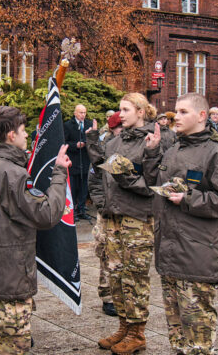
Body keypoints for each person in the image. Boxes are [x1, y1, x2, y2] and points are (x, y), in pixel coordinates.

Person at [0, 106, 71, 354]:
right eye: (23, 131)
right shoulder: (12, 173)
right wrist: (59, 173)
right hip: (9, 277)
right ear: (11, 135)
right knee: (11, 347)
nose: (28, 136)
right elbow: (46, 214)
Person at [144, 92, 218, 355]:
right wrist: (152, 153)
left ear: (201, 116)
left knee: (197, 336)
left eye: (184, 112)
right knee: (176, 332)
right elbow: (156, 184)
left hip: (199, 254)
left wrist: (188, 198)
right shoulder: (175, 148)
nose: (177, 116)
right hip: (172, 251)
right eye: (176, 111)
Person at [86, 93, 160, 355]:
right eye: (120, 109)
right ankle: (124, 326)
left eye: (126, 109)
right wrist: (93, 142)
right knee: (116, 275)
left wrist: (131, 176)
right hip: (112, 217)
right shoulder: (116, 140)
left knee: (135, 277)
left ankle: (137, 333)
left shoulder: (153, 140)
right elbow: (101, 168)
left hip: (136, 219)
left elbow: (154, 184)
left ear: (141, 111)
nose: (121, 114)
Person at [88, 111, 123, 317]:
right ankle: (107, 296)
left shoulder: (128, 147)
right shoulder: (105, 149)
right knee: (105, 254)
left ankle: (120, 295)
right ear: (112, 129)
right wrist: (103, 206)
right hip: (107, 213)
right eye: (119, 129)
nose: (122, 132)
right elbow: (95, 182)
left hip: (124, 212)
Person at [64, 104, 93, 221]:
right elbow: (64, 142)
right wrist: (75, 145)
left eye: (84, 113)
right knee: (74, 187)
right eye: (80, 112)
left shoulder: (89, 125)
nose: (83, 115)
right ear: (75, 113)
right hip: (73, 161)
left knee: (83, 187)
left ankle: (81, 209)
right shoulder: (67, 125)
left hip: (85, 160)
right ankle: (74, 211)